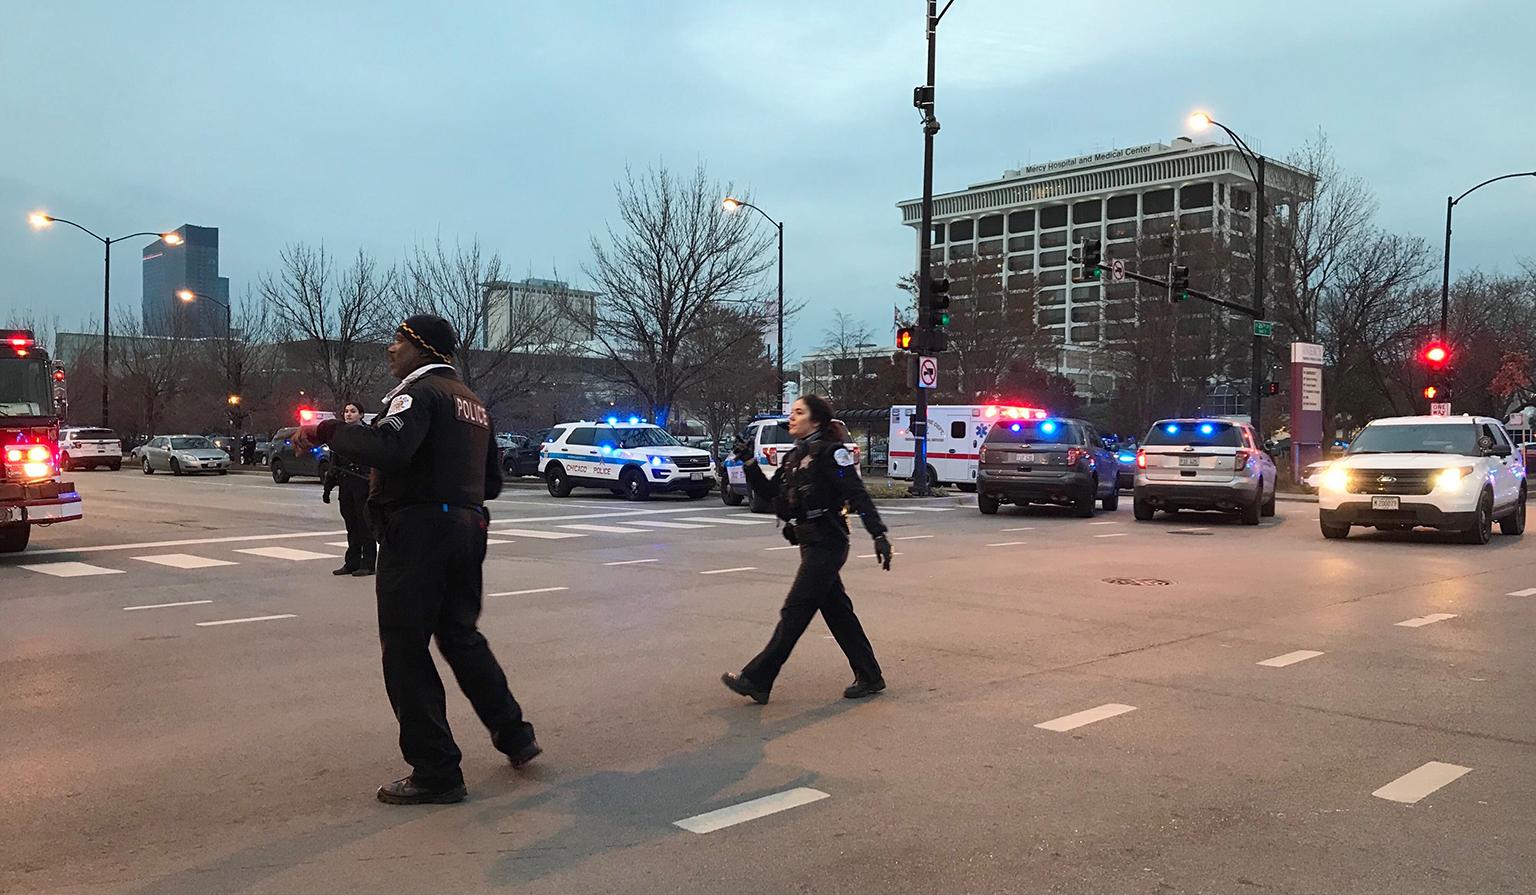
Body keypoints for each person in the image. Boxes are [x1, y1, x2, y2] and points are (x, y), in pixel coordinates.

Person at [299, 314, 538, 805]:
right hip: (467, 527)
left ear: (421, 348)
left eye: (397, 341)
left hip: (419, 532)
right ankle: (515, 735)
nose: (389, 349)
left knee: (405, 648)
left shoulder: (419, 393)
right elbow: (492, 483)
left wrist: (329, 430)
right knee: (460, 636)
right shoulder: (472, 402)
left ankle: (436, 770)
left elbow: (392, 446)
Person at [721, 395, 892, 705]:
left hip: (829, 543)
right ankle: (870, 675)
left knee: (795, 611)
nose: (792, 418)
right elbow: (770, 494)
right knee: (839, 613)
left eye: (799, 413)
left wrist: (878, 534)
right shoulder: (794, 456)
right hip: (809, 542)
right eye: (792, 413)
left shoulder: (832, 454)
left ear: (816, 420)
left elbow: (857, 494)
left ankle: (758, 679)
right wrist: (749, 462)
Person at [322, 401, 376, 577]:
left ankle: (368, 563)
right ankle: (351, 562)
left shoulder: (368, 434)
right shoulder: (339, 436)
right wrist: (328, 488)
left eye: (353, 411)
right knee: (351, 525)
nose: (348, 414)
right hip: (346, 485)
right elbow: (333, 464)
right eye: (346, 411)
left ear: (361, 414)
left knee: (364, 524)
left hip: (362, 484)